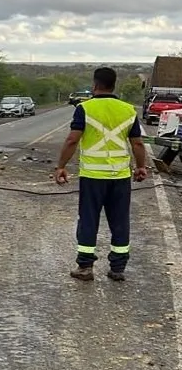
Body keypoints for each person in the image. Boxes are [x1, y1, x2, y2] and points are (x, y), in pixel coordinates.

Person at [54, 67, 148, 282]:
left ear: (95, 85)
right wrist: (141, 167)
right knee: (120, 221)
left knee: (88, 219)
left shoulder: (84, 108)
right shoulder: (128, 110)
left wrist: (60, 166)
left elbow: (72, 140)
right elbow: (138, 143)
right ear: (114, 85)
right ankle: (117, 268)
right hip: (120, 177)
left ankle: (85, 267)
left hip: (93, 177)